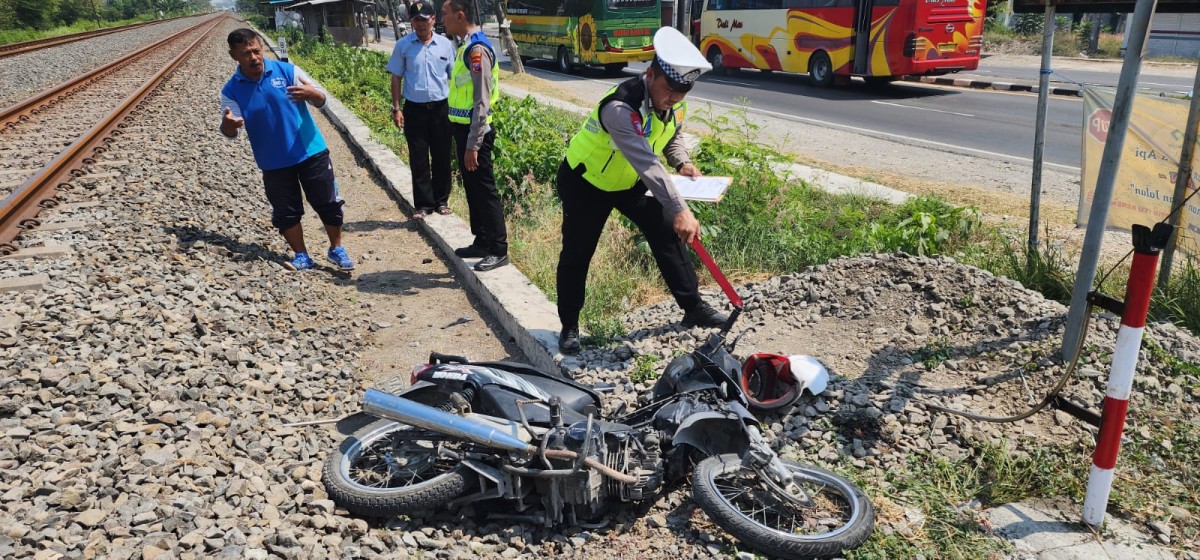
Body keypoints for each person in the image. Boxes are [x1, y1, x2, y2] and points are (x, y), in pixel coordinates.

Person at [555, 27, 728, 354]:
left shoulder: (675, 102)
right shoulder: (620, 108)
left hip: (628, 182)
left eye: (683, 92)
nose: (674, 98)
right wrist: (681, 209)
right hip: (586, 182)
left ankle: (693, 308)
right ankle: (569, 325)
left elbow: (671, 134)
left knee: (665, 233)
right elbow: (646, 162)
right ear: (650, 74)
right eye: (669, 89)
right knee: (578, 251)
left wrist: (681, 162)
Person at [219, 28, 355, 271]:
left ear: (261, 49)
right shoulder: (231, 90)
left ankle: (336, 249)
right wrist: (228, 125)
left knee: (328, 202)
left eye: (256, 51)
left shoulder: (287, 71)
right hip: (273, 161)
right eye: (246, 53)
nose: (253, 57)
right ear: (233, 56)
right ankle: (301, 255)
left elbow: (321, 100)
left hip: (310, 151)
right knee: (286, 212)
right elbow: (231, 130)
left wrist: (314, 94)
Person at [441, 0, 508, 272]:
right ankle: (482, 240)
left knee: (485, 189)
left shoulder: (477, 50)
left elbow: (481, 102)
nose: (442, 19)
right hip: (464, 129)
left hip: (475, 133)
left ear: (460, 15)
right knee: (472, 189)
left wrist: (473, 144)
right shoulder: (466, 45)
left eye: (445, 14)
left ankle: (498, 248)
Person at [386, 0, 455, 220]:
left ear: (433, 20)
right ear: (411, 22)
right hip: (414, 110)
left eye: (424, 20)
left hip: (441, 109)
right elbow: (396, 77)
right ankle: (424, 205)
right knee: (418, 157)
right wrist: (397, 108)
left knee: (442, 156)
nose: (420, 25)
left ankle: (441, 200)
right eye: (416, 20)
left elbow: (454, 78)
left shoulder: (445, 45)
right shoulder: (403, 45)